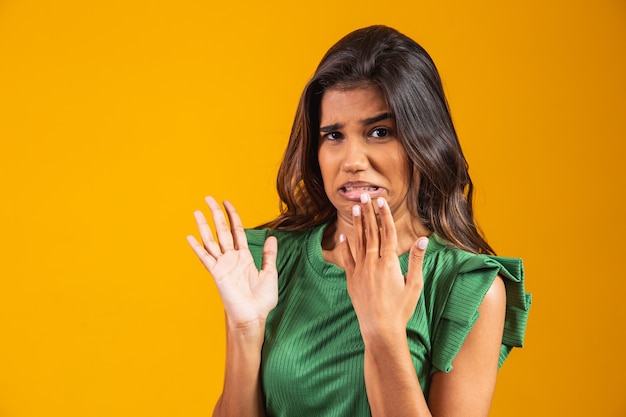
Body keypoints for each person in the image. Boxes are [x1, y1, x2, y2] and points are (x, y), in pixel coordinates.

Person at [187, 25, 531, 417]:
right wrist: (244, 331)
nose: (351, 160)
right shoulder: (272, 262)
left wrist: (383, 334)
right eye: (333, 135)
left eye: (379, 132)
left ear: (424, 142)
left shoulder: (467, 289)